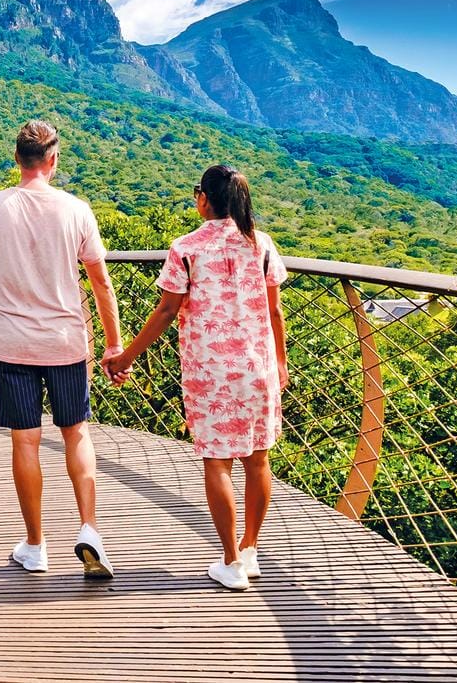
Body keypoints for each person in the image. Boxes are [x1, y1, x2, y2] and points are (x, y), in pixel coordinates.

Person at [0, 120, 125, 578]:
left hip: (12, 344)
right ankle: (89, 528)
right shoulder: (76, 210)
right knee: (76, 433)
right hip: (65, 342)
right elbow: (101, 282)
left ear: (17, 159)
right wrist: (114, 344)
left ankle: (35, 545)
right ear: (53, 159)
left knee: (25, 440)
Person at [105, 164, 289, 592]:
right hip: (258, 368)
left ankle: (230, 562)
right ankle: (250, 549)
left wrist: (125, 357)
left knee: (218, 462)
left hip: (210, 372)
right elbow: (275, 310)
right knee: (258, 459)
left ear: (203, 199)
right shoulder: (261, 244)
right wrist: (281, 363)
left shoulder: (186, 248)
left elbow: (167, 311)